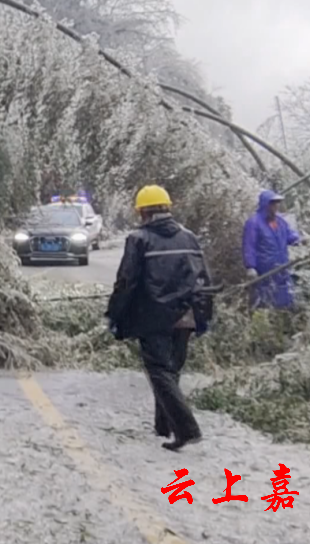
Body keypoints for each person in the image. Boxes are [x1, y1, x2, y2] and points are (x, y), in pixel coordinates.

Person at [106, 185, 213, 452]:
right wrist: (204, 315)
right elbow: (203, 279)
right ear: (167, 209)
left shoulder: (139, 239)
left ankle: (186, 430)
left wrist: (115, 314)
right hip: (186, 315)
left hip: (152, 317)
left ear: (143, 212)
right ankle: (164, 426)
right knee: (171, 371)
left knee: (159, 371)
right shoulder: (189, 237)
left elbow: (126, 282)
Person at [242, 190, 301, 309]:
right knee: (264, 298)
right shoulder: (254, 223)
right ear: (266, 204)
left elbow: (289, 235)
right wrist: (250, 266)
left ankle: (283, 315)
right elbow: (249, 245)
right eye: (273, 203)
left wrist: (299, 239)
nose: (276, 206)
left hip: (282, 266)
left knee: (284, 296)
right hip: (264, 269)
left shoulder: (280, 221)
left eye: (277, 203)